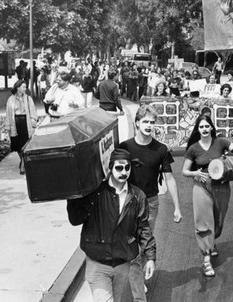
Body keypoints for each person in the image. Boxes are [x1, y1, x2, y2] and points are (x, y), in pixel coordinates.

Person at [67, 148, 156, 302]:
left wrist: (151, 257)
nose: (124, 172)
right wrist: (72, 196)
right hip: (98, 264)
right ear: (110, 167)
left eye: (127, 167)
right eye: (119, 167)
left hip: (123, 264)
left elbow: (143, 228)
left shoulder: (137, 196)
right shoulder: (95, 194)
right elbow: (75, 219)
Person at [119, 105, 182, 301]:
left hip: (150, 204)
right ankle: (137, 281)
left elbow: (170, 179)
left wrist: (177, 207)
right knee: (131, 246)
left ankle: (139, 277)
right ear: (137, 123)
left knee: (145, 242)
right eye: (145, 121)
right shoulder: (125, 147)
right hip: (128, 202)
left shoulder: (160, 149)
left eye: (152, 122)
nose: (149, 125)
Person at [182, 115, 233, 276]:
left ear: (211, 127)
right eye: (201, 127)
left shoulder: (221, 142)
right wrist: (195, 173)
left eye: (207, 126)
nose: (204, 129)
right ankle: (206, 260)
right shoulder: (193, 149)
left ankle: (212, 241)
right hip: (201, 186)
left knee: (218, 221)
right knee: (204, 222)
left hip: (221, 186)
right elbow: (184, 171)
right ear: (198, 129)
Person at [5, 80, 38, 175]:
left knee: (25, 144)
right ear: (18, 88)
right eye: (23, 87)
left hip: (25, 122)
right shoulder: (11, 99)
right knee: (17, 145)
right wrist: (7, 126)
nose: (25, 88)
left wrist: (33, 121)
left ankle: (23, 165)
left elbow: (33, 111)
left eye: (25, 87)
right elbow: (8, 113)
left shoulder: (28, 98)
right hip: (15, 123)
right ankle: (22, 160)